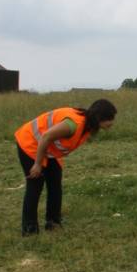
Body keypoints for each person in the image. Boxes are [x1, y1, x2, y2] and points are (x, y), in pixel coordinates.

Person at [14, 100, 117, 235]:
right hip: (30, 143)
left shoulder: (86, 125)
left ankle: (53, 223)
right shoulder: (72, 125)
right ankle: (29, 229)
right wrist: (38, 164)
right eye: (110, 119)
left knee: (55, 183)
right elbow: (45, 137)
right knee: (35, 184)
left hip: (47, 149)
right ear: (99, 118)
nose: (112, 123)